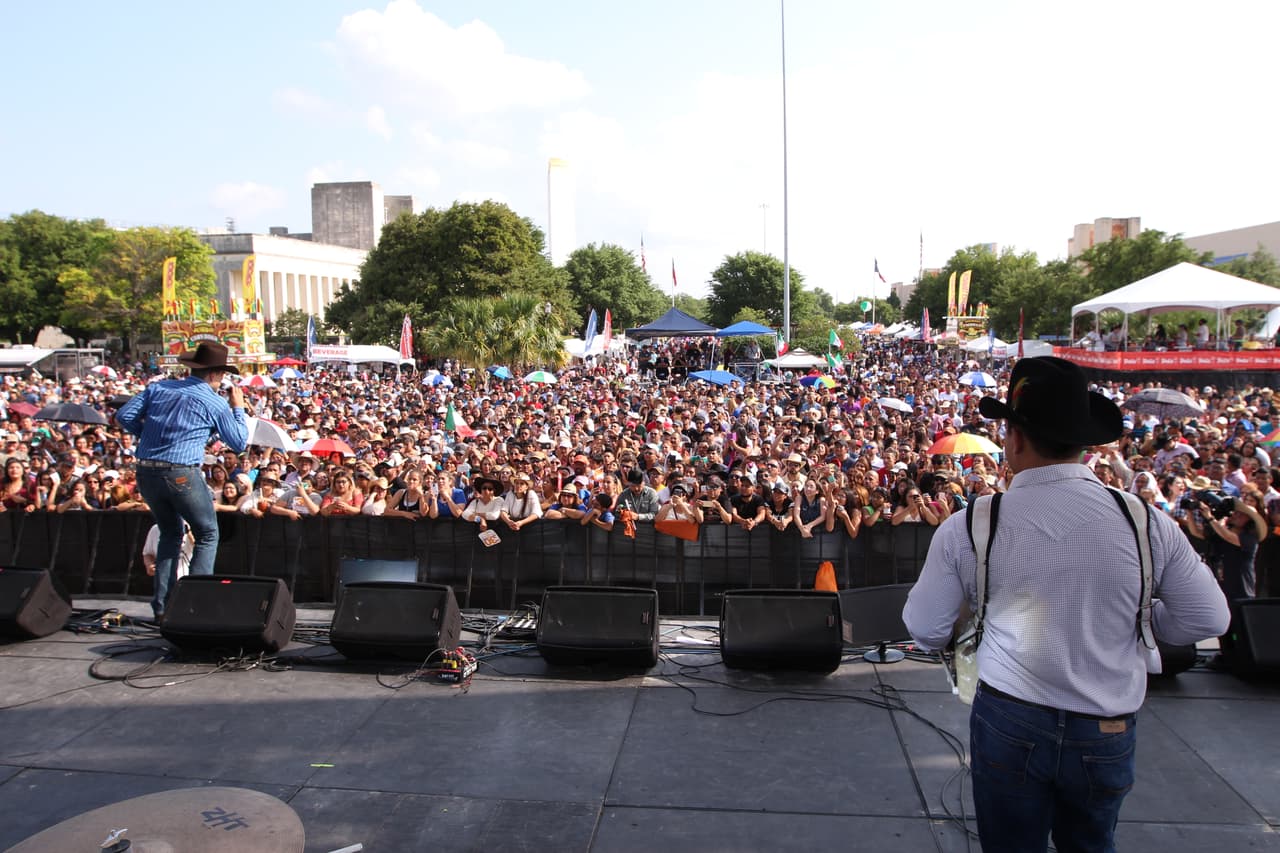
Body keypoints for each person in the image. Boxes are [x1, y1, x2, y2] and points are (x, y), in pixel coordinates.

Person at [903, 356, 1229, 853]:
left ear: (1012, 436)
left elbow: (925, 629)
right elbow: (1208, 618)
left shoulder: (970, 525)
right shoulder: (1146, 520)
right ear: (1083, 440)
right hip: (1107, 724)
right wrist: (1135, 619)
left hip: (1009, 718)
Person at [115, 342, 248, 620]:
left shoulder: (158, 388)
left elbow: (123, 415)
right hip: (180, 472)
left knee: (171, 534)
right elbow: (238, 442)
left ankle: (162, 608)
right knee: (208, 533)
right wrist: (238, 408)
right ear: (215, 374)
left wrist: (151, 436)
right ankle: (196, 606)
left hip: (146, 471)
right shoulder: (215, 402)